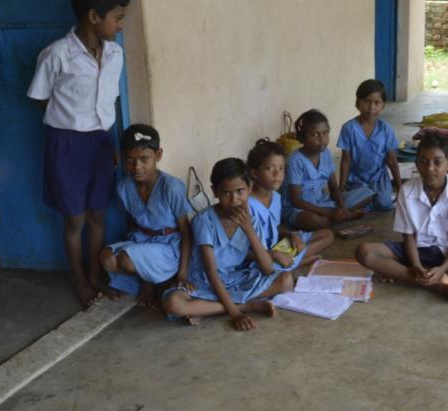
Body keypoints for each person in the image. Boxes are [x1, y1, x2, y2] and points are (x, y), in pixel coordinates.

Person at [26, 0, 129, 307]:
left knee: (98, 213)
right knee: (75, 218)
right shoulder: (57, 54)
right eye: (118, 18)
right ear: (94, 16)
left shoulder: (115, 54)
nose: (121, 25)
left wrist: (108, 143)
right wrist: (69, 122)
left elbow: (108, 102)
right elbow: (40, 97)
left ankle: (96, 275)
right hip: (66, 143)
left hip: (101, 142)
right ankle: (79, 278)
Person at [355, 134, 448, 302]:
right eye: (423, 161)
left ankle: (411, 274)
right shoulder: (406, 191)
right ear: (416, 164)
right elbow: (408, 237)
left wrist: (442, 269)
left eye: (437, 162)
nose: (429, 168)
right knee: (364, 252)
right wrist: (415, 265)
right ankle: (435, 284)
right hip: (417, 249)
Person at [164, 158, 293, 331]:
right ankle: (246, 306)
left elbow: (268, 268)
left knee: (285, 280)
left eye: (240, 191)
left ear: (250, 188)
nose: (234, 199)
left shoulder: (252, 219)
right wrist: (236, 314)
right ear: (214, 191)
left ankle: (207, 308)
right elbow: (211, 272)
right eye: (226, 193)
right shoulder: (205, 220)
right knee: (174, 304)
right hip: (204, 281)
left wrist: (248, 229)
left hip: (235, 277)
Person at [99, 124, 193, 307]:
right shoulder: (124, 187)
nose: (137, 167)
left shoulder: (171, 187)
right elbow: (134, 223)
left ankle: (153, 282)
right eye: (130, 160)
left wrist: (183, 273)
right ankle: (155, 280)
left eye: (144, 159)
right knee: (107, 258)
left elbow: (186, 232)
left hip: (169, 247)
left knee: (126, 259)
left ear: (158, 155)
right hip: (143, 241)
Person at [247, 139, 334, 270]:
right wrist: (272, 254)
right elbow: (239, 252)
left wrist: (291, 235)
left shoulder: (276, 197)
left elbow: (274, 229)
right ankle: (297, 261)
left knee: (327, 235)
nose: (277, 174)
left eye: (281, 168)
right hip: (260, 256)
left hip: (277, 247)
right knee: (266, 269)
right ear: (254, 173)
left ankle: (292, 261)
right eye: (269, 168)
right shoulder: (247, 205)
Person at [282, 109, 374, 231]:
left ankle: (339, 217)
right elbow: (296, 200)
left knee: (368, 194)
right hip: (300, 208)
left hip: (323, 201)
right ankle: (341, 218)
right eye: (315, 135)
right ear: (302, 138)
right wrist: (329, 213)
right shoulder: (295, 160)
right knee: (313, 221)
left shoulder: (326, 154)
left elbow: (334, 188)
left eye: (325, 133)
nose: (322, 139)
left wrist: (342, 209)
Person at [338, 79, 402, 211]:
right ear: (358, 103)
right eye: (366, 101)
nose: (371, 107)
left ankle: (372, 198)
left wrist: (400, 187)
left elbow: (391, 160)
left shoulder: (386, 129)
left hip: (378, 179)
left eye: (376, 103)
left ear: (383, 105)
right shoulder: (349, 128)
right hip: (356, 179)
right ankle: (370, 197)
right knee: (346, 204)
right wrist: (341, 187)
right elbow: (345, 160)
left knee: (385, 205)